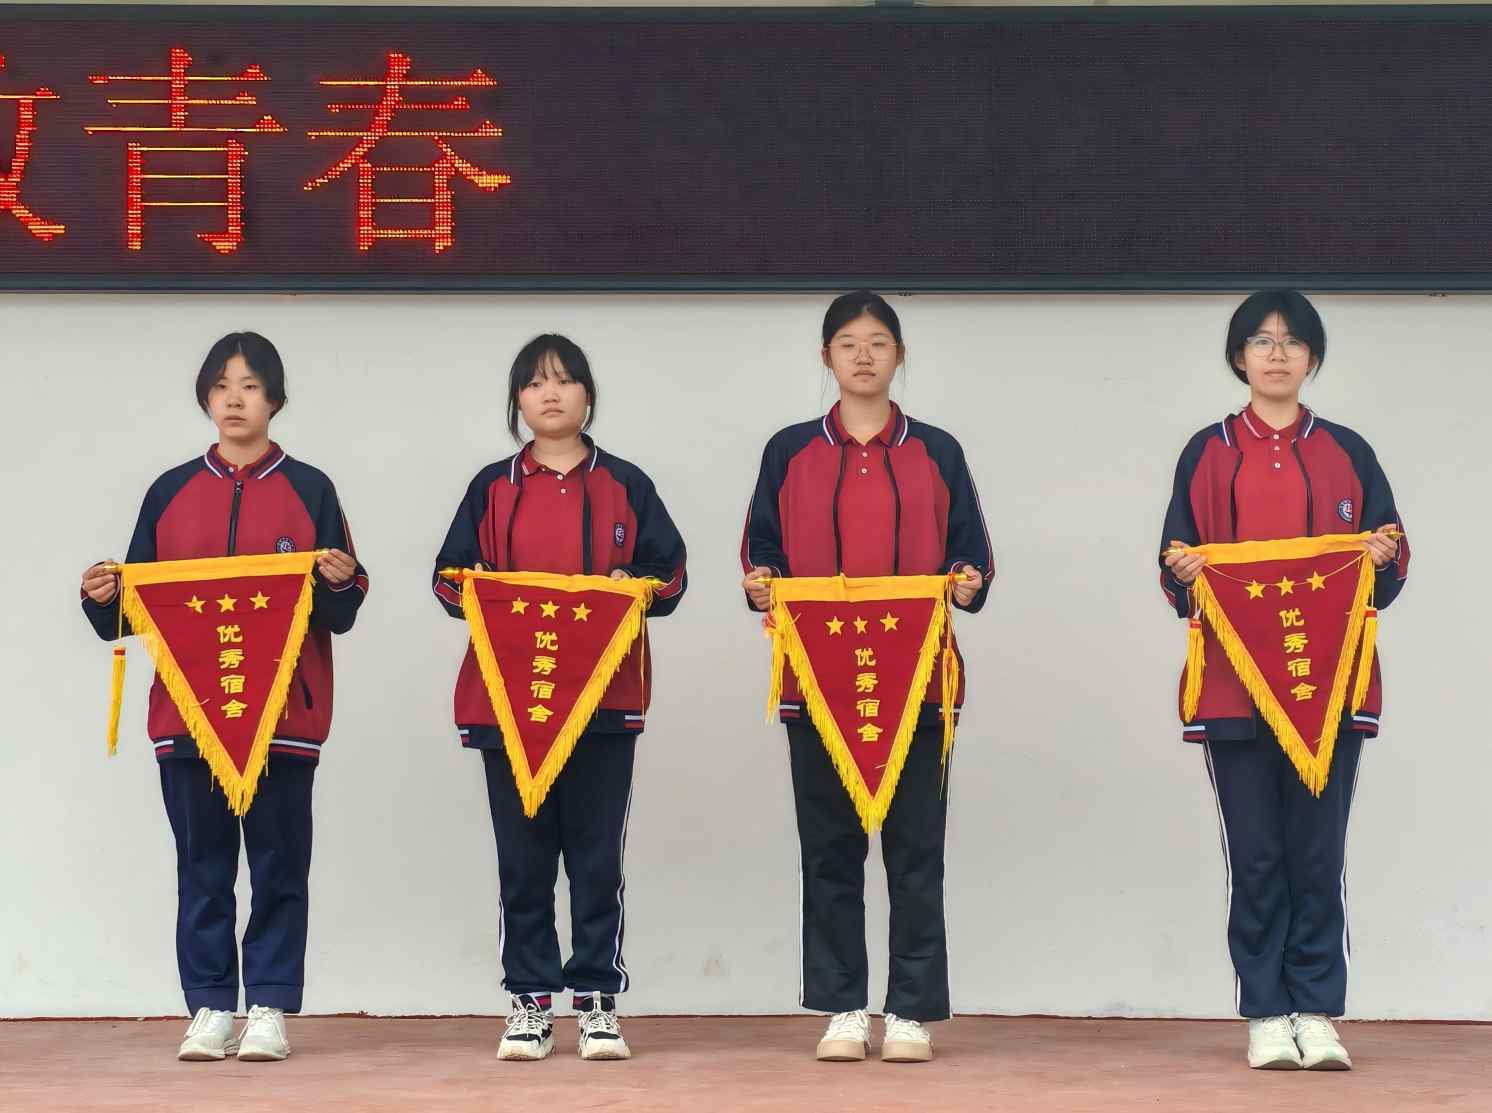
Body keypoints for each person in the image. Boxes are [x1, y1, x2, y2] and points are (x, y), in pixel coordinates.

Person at [79, 332, 368, 1062]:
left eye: (250, 386)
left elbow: (341, 606)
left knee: (279, 867)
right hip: (188, 716)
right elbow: (135, 608)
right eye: (221, 386)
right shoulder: (170, 491)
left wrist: (340, 580)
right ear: (206, 397)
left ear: (275, 399)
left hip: (284, 717)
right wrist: (102, 596)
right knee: (201, 868)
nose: (234, 399)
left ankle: (268, 1005)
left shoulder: (310, 489)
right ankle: (210, 1005)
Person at [740, 291, 994, 1063]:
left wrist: (966, 579)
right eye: (847, 342)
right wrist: (761, 583)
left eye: (878, 341)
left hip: (919, 682)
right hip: (816, 681)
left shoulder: (937, 451)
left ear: (899, 355)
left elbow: (972, 549)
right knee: (829, 848)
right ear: (826, 357)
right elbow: (761, 547)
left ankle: (911, 1010)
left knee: (916, 850)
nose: (862, 355)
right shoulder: (790, 451)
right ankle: (844, 1006)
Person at [1159, 290, 1408, 1070]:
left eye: (1293, 341)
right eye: (1262, 340)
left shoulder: (1347, 451)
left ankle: (1316, 1010)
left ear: (1312, 358)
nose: (1277, 353)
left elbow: (1392, 561)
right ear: (1240, 356)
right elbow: (1174, 560)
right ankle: (1267, 1011)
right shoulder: (1208, 451)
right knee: (1258, 855)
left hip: (1331, 687)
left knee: (1317, 853)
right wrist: (1185, 570)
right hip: (1233, 689)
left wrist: (1379, 555)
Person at [432, 334, 686, 1061]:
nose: (551, 393)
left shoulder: (627, 484)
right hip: (507, 705)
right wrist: (479, 585)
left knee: (597, 859)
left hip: (605, 703)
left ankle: (597, 1000)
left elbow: (671, 577)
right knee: (524, 860)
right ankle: (530, 999)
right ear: (518, 399)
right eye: (536, 382)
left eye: (566, 380)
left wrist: (630, 585)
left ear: (588, 396)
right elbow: (448, 580)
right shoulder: (492, 487)